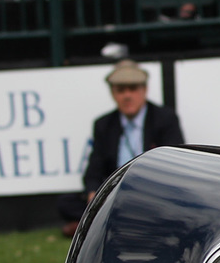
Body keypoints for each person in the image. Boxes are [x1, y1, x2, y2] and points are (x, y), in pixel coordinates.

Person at [57, 59, 185, 237]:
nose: (127, 96)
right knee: (65, 202)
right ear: (112, 93)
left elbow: (177, 163)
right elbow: (93, 170)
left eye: (132, 89)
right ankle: (127, 220)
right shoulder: (103, 124)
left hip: (152, 190)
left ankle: (97, 224)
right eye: (120, 90)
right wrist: (93, 193)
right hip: (115, 194)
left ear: (144, 90)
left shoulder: (165, 119)